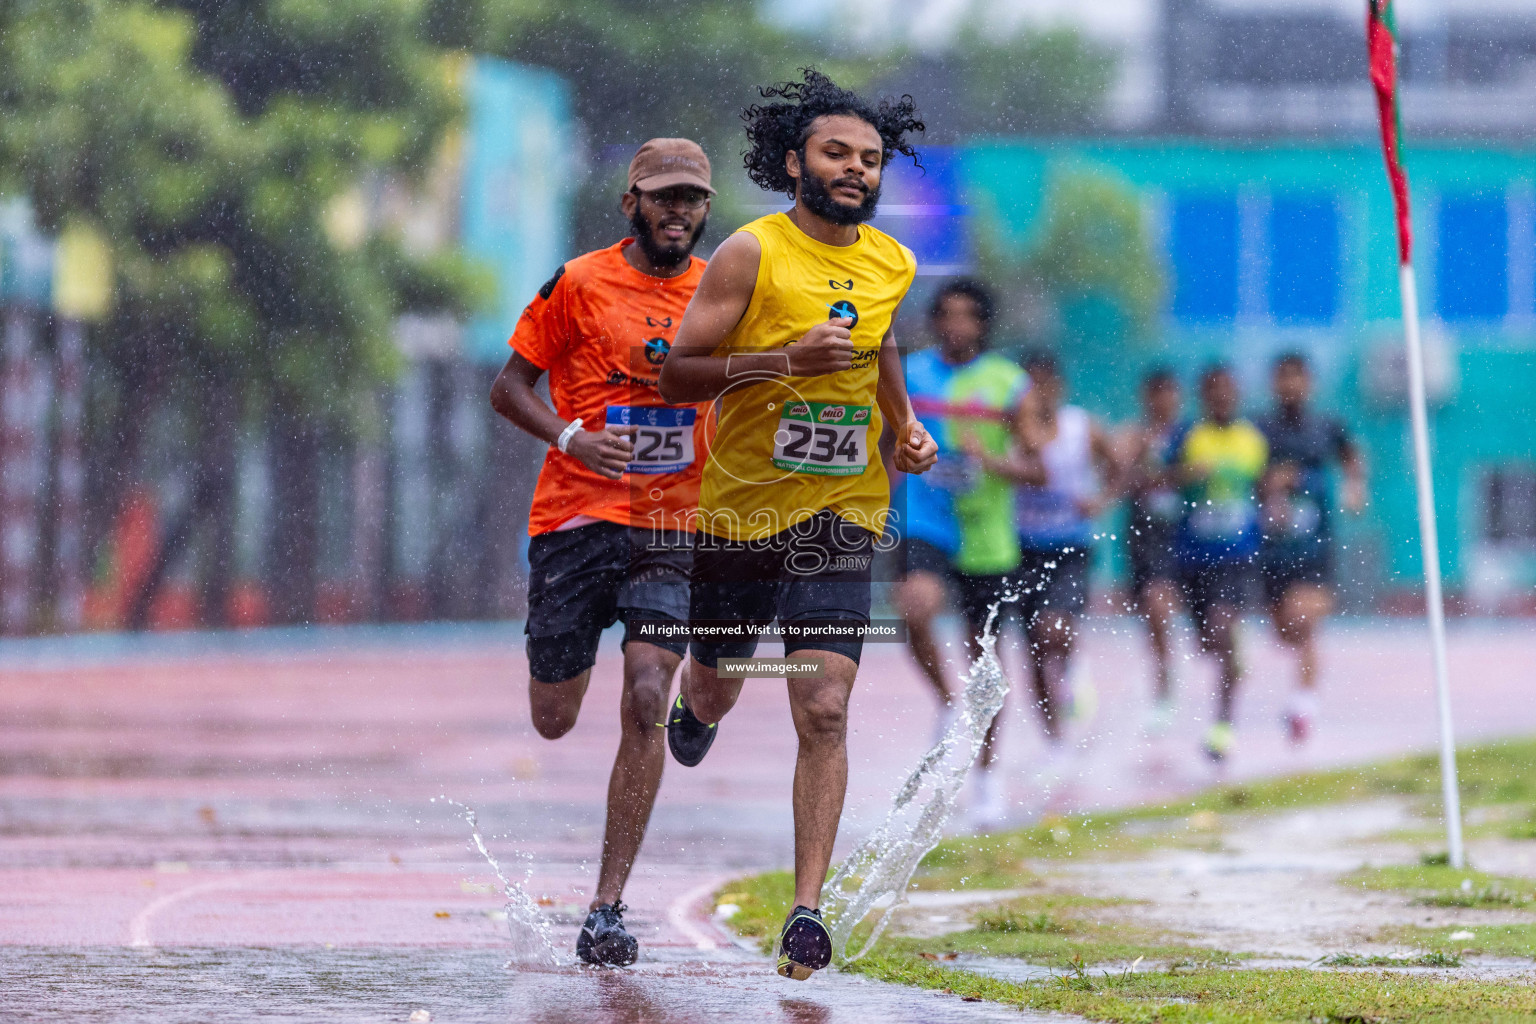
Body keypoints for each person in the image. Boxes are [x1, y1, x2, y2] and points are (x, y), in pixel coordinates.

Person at [656, 69, 936, 980]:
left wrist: (902, 423)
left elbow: (881, 341)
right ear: (794, 162)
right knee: (721, 680)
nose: (856, 169)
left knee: (822, 703)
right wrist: (778, 361)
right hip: (740, 513)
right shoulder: (751, 254)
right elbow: (678, 376)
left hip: (841, 510)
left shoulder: (893, 263)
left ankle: (805, 912)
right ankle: (696, 709)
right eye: (836, 153)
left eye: (870, 159)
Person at [488, 138, 716, 966]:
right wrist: (571, 436)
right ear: (632, 204)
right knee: (554, 717)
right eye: (663, 197)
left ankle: (608, 907)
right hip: (575, 519)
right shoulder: (579, 282)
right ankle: (684, 688)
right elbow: (508, 387)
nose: (678, 212)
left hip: (673, 521)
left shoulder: (723, 294)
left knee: (647, 691)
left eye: (691, 199)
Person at [894, 279, 1031, 755]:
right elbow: (880, 438)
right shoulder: (909, 374)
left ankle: (987, 776)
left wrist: (989, 461)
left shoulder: (1009, 383)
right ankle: (948, 702)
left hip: (986, 533)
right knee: (914, 607)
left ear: (984, 324)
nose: (956, 325)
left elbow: (1037, 468)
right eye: (947, 314)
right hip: (925, 520)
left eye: (967, 315)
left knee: (984, 659)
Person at [986, 352, 1118, 798]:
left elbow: (1120, 468)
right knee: (1033, 654)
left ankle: (1075, 664)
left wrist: (1100, 500)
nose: (1038, 395)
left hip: (1070, 546)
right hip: (1019, 548)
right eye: (1031, 386)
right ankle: (1056, 744)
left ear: (1060, 387)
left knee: (1053, 629)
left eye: (1046, 385)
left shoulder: (1084, 428)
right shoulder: (1010, 431)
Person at [1255, 352, 1365, 744]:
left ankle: (1304, 704)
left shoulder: (1326, 427)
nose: (1290, 386)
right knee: (1286, 631)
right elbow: (1241, 475)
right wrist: (1269, 483)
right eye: (1283, 378)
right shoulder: (1259, 429)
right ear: (1273, 383)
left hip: (1315, 549)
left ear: (1310, 382)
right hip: (1272, 551)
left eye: (1297, 378)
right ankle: (1303, 695)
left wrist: (1355, 488)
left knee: (1304, 620)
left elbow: (1352, 456)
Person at [1169, 364, 1268, 764]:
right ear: (1204, 395)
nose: (1222, 397)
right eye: (1215, 391)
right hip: (1193, 557)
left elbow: (1265, 486)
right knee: (1208, 642)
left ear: (1238, 393)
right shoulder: (1189, 437)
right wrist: (1185, 475)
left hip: (1237, 556)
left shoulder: (1253, 440)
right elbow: (1157, 481)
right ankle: (1233, 653)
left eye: (1229, 390)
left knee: (1221, 627)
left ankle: (1223, 725)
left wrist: (1273, 501)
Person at [1119, 367, 1186, 735]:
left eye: (1169, 393)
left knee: (1205, 621)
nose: (1163, 401)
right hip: (1146, 538)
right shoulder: (1135, 436)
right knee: (1154, 609)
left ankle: (1227, 644)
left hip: (1187, 537)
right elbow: (1117, 475)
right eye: (1156, 393)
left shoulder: (1191, 435)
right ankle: (1164, 686)